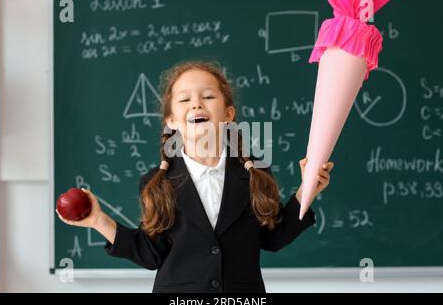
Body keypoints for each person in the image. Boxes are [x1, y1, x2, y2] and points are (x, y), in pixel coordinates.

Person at [57, 61, 334, 292]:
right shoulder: (157, 182)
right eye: (185, 99)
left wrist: (305, 191)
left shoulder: (255, 173)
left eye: (208, 97)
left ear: (227, 114)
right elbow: (151, 253)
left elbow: (273, 238)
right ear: (172, 120)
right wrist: (98, 220)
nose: (197, 104)